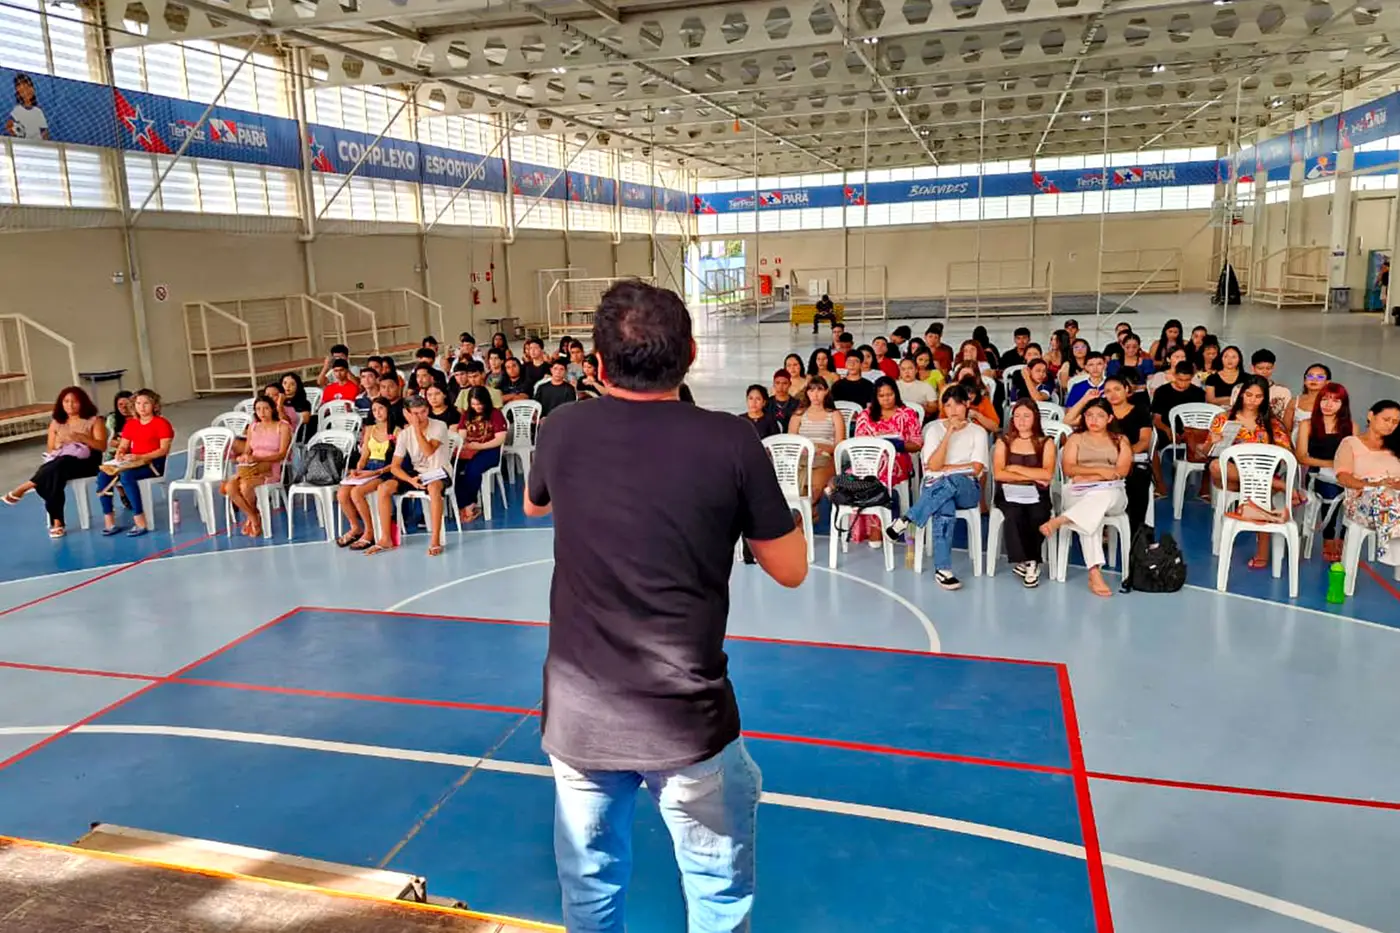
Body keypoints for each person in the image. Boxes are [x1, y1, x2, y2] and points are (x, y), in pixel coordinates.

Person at [523, 280, 806, 933]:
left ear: (596, 364)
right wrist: (767, 506)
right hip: (684, 720)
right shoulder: (732, 441)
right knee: (716, 890)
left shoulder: (562, 428)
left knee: (590, 886)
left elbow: (536, 504)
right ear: (692, 353)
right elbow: (789, 568)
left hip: (580, 717)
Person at [884, 384, 988, 591]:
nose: (953, 410)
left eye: (958, 404)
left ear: (967, 405)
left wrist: (947, 469)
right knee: (944, 507)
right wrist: (949, 433)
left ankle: (908, 519)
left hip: (967, 489)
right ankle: (943, 570)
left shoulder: (978, 432)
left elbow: (976, 468)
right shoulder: (934, 430)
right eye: (948, 406)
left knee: (953, 480)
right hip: (936, 487)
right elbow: (933, 465)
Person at [1040, 399, 1132, 598]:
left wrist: (1089, 476)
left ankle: (1063, 519)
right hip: (1079, 492)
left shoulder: (1120, 440)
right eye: (1089, 415)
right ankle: (1094, 572)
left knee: (1100, 499)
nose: (1094, 420)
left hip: (1112, 494)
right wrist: (1101, 471)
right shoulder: (1075, 438)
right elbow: (1069, 468)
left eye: (1100, 416)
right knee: (1091, 516)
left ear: (1110, 418)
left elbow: (1121, 471)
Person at [1208, 375, 1295, 569]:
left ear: (1264, 399)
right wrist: (1213, 442)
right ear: (1241, 394)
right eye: (1248, 395)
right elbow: (1208, 452)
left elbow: (1286, 454)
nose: (1252, 400)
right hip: (1232, 476)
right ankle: (1275, 484)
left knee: (1259, 490)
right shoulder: (1224, 418)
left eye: (1258, 396)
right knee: (1215, 466)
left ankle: (1262, 552)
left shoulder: (1272, 423)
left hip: (1263, 474)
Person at [4, 387, 107, 537]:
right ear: (61, 403)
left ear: (83, 403)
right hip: (61, 461)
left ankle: (27, 487)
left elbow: (102, 446)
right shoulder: (56, 423)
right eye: (66, 401)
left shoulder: (95, 421)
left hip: (87, 462)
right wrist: (59, 445)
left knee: (53, 470)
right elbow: (51, 449)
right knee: (55, 473)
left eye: (74, 401)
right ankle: (57, 521)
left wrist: (83, 439)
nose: (70, 405)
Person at [370, 396, 451, 557]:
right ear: (406, 413)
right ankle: (386, 538)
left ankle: (435, 540)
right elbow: (395, 466)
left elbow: (428, 451)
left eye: (423, 412)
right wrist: (409, 480)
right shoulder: (404, 434)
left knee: (433, 488)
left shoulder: (439, 426)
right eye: (415, 413)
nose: (420, 417)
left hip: (439, 470)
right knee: (384, 487)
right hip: (418, 473)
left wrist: (416, 428)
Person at [993, 399, 1056, 587]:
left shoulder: (1046, 442)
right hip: (1008, 492)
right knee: (1014, 513)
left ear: (1035, 418)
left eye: (1026, 416)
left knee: (1038, 514)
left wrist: (1014, 468)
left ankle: (1027, 562)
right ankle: (1030, 561)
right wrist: (1033, 475)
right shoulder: (1004, 441)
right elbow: (999, 474)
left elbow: (1047, 474)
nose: (1021, 420)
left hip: (1037, 493)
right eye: (1017, 416)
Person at [95, 389, 174, 537]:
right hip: (134, 462)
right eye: (138, 403)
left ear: (154, 405)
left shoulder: (162, 423)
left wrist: (141, 456)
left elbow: (163, 450)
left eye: (146, 403)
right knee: (103, 475)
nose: (141, 407)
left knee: (127, 476)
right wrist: (120, 453)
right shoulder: (131, 424)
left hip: (153, 465)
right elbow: (124, 445)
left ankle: (139, 519)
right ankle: (109, 521)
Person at [1334, 399, 1400, 566]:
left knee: (1390, 495)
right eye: (1386, 419)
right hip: (1362, 499)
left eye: (1395, 422)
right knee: (1385, 495)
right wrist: (1374, 486)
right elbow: (1343, 476)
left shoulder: (1396, 447)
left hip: (1395, 495)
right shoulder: (1351, 443)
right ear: (1371, 416)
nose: (1390, 425)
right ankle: (1391, 547)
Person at [1296, 382, 1353, 561]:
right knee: (1331, 490)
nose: (1328, 404)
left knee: (1356, 493)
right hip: (1317, 474)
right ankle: (1329, 538)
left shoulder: (1351, 427)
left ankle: (1343, 537)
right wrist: (1330, 464)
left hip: (1343, 474)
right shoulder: (1307, 424)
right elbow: (1302, 457)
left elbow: (1354, 457)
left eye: (1335, 401)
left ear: (1343, 405)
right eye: (1325, 399)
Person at [222, 396, 292, 538]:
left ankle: (253, 519)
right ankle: (253, 516)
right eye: (258, 409)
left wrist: (259, 459)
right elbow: (247, 450)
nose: (262, 412)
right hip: (251, 467)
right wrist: (243, 457)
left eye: (266, 408)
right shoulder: (253, 427)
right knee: (230, 487)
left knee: (245, 486)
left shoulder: (283, 426)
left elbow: (282, 454)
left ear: (272, 409)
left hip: (270, 469)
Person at [336, 397, 396, 550]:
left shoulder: (397, 430)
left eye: (381, 408)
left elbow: (397, 462)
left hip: (385, 470)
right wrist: (358, 469)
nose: (378, 413)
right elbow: (364, 456)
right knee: (342, 493)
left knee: (357, 492)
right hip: (368, 467)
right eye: (374, 410)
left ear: (388, 409)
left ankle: (370, 531)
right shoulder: (370, 429)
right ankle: (356, 527)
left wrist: (375, 472)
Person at [788, 376, 845, 524]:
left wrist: (823, 449)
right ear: (807, 393)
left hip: (825, 456)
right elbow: (791, 442)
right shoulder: (799, 415)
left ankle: (799, 525)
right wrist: (805, 449)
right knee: (801, 486)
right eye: (812, 390)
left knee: (814, 488)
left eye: (819, 390)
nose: (815, 394)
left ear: (826, 391)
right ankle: (808, 517)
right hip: (803, 457)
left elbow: (840, 444)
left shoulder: (834, 414)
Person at [1103, 374, 1153, 531]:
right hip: (1105, 460)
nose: (1113, 394)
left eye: (1117, 389)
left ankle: (1136, 532)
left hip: (1134, 459)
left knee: (1138, 478)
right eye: (1108, 391)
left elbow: (1144, 441)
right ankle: (1102, 527)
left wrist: (1124, 456)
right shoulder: (1101, 412)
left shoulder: (1140, 411)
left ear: (1126, 390)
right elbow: (1069, 421)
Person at [1150, 360, 1207, 494]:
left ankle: (1199, 487)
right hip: (1165, 428)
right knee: (1157, 444)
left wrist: (1188, 433)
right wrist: (1168, 430)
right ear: (1174, 375)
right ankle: (1162, 483)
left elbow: (1200, 420)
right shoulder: (1162, 391)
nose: (1183, 384)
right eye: (1180, 380)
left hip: (1190, 430)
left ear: (1192, 377)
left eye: (1187, 380)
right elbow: (1157, 419)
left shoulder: (1198, 393)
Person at [455, 386, 507, 524]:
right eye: (473, 404)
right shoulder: (467, 415)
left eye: (479, 404)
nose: (476, 407)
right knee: (453, 469)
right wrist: (464, 444)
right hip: (470, 449)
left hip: (490, 449)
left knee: (473, 469)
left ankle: (469, 504)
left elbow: (500, 439)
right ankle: (462, 503)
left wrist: (480, 446)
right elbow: (461, 434)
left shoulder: (495, 414)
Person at [1228, 349, 1292, 426]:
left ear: (1273, 367)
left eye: (1268, 368)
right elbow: (1234, 413)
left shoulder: (1283, 392)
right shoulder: (1239, 389)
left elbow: (1285, 420)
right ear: (1253, 368)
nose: (1264, 372)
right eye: (1260, 368)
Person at [1285, 363, 1332, 436]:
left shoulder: (1331, 404)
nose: (1314, 379)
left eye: (1320, 377)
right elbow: (1286, 429)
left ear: (1327, 382)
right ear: (1304, 380)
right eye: (1310, 376)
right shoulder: (1294, 402)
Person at [7, 73, 49, 140]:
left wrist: (43, 141)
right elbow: (9, 126)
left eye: (28, 88)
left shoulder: (38, 111)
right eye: (23, 91)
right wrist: (17, 135)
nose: (26, 92)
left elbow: (45, 131)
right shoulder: (17, 110)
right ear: (19, 93)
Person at [279, 372, 314, 439]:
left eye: (292, 384)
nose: (287, 386)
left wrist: (280, 407)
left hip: (295, 434)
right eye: (285, 383)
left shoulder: (304, 403)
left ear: (298, 386)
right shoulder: (277, 400)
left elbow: (304, 419)